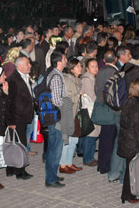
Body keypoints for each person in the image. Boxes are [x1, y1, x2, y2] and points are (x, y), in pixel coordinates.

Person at [118, 78, 139, 204]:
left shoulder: (129, 101)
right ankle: (129, 194)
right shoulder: (137, 105)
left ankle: (130, 193)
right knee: (132, 170)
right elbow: (138, 128)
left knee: (130, 168)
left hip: (127, 139)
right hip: (133, 142)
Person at [6, 56, 34, 180]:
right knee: (20, 144)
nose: (30, 65)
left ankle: (11, 168)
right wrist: (11, 121)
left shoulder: (24, 77)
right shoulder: (13, 80)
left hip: (23, 115)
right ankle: (20, 171)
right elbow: (9, 102)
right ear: (20, 66)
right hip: (17, 118)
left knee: (15, 143)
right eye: (27, 63)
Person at [45, 50, 69, 188]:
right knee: (55, 149)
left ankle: (53, 174)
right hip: (56, 117)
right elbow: (56, 99)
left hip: (58, 116)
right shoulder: (55, 77)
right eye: (64, 58)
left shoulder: (57, 75)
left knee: (55, 148)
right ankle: (51, 179)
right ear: (59, 61)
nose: (66, 60)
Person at [95, 50, 118, 174]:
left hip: (101, 106)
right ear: (115, 59)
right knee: (110, 138)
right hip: (110, 109)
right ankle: (106, 165)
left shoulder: (100, 71)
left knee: (104, 137)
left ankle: (101, 164)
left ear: (104, 60)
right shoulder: (114, 72)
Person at [59, 58, 83, 174]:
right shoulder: (67, 80)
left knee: (74, 140)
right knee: (67, 140)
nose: (80, 68)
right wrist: (78, 96)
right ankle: (62, 165)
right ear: (72, 69)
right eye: (78, 66)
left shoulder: (77, 80)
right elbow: (66, 98)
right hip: (68, 114)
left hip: (76, 114)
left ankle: (69, 162)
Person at [80, 58, 100, 167]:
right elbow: (92, 96)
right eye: (92, 66)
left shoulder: (94, 78)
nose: (95, 69)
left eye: (96, 66)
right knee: (90, 135)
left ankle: (90, 157)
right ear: (87, 68)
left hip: (94, 109)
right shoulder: (87, 79)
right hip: (90, 111)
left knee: (93, 135)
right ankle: (88, 158)